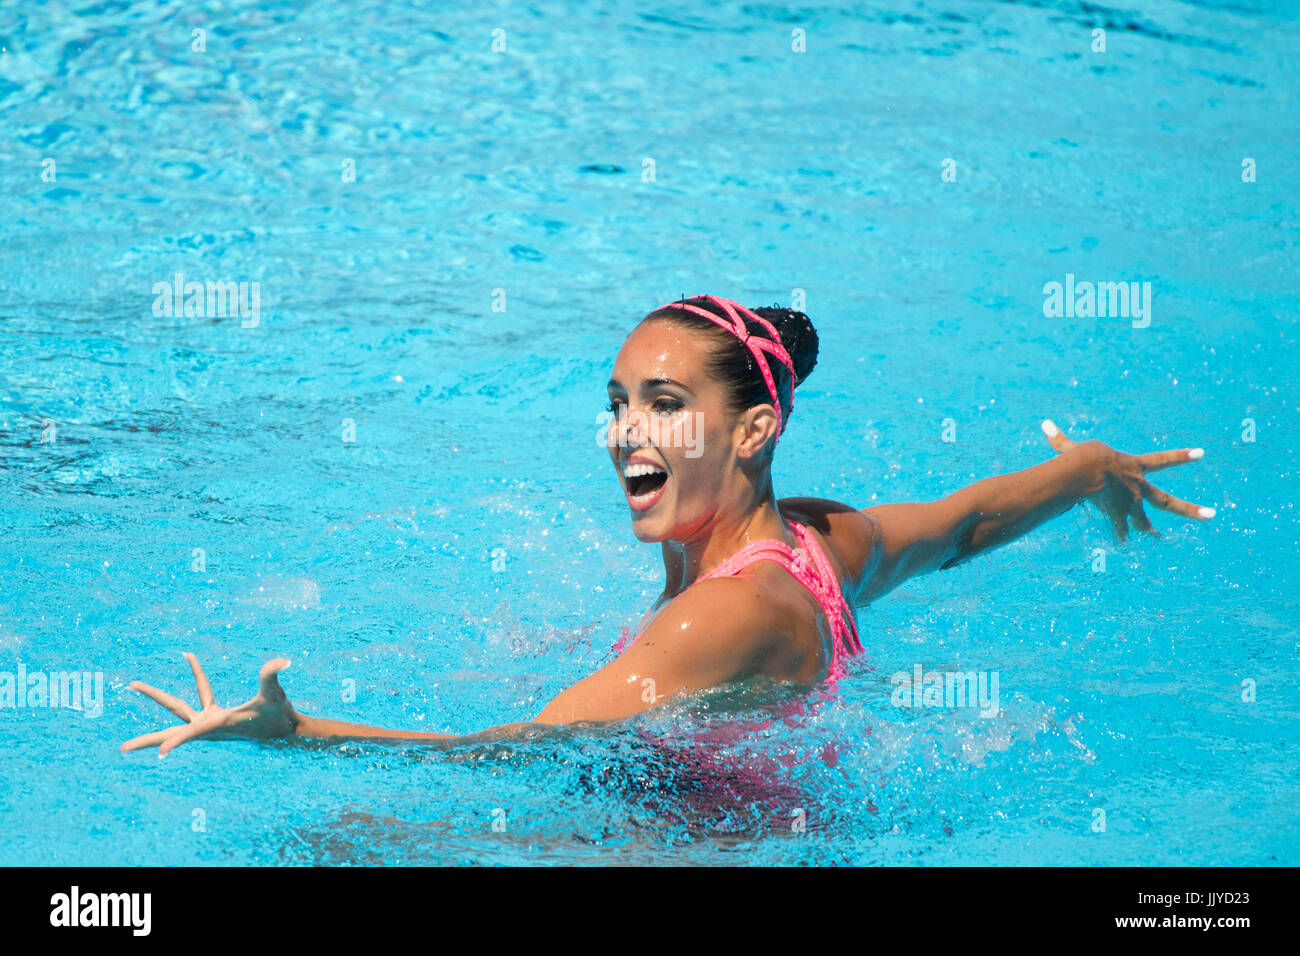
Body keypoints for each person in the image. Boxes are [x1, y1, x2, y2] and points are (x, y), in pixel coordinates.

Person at [121, 294, 1213, 756]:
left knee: (336, 847)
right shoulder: (819, 543)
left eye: (662, 404)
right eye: (615, 402)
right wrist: (1086, 466)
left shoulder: (716, 618)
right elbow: (964, 526)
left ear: (753, 429)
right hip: (758, 804)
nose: (620, 434)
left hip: (691, 841)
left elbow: (506, 754)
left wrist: (304, 735)